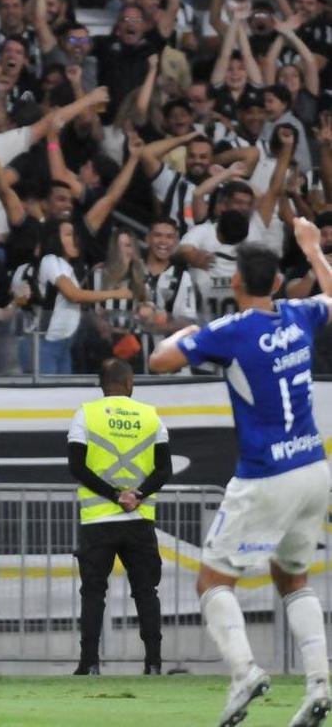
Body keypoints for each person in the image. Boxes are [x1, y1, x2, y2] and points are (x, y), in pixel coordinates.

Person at [148, 219, 332, 727]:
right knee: (292, 575)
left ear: (235, 283)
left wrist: (185, 331)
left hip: (265, 473)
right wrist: (314, 251)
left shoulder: (230, 332)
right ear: (276, 282)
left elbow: (161, 361)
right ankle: (318, 683)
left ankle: (245, 672)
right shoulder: (299, 315)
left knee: (212, 580)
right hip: (313, 467)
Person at [67, 358, 172, 676]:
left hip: (98, 520)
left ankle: (89, 663)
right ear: (129, 384)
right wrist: (136, 495)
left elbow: (77, 466)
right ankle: (153, 662)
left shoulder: (86, 414)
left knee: (93, 592)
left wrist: (114, 496)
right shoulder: (152, 417)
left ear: (102, 385)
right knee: (145, 591)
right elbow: (164, 469)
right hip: (139, 520)